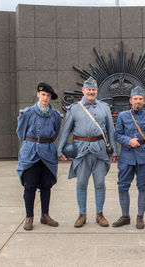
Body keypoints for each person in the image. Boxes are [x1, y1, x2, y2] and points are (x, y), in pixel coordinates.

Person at [58, 77, 118, 228]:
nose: (91, 92)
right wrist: (60, 150)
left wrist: (114, 152)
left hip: (100, 150)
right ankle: (82, 214)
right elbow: (65, 131)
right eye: (88, 89)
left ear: (96, 91)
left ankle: (100, 214)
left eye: (93, 90)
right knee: (82, 183)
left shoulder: (104, 108)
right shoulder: (74, 109)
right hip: (81, 150)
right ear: (83, 90)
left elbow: (111, 131)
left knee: (100, 183)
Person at [16, 82, 63, 231]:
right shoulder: (28, 113)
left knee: (46, 185)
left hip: (48, 152)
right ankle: (29, 217)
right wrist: (30, 145)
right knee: (29, 186)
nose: (45, 98)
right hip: (30, 152)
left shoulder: (55, 115)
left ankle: (45, 215)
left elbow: (55, 133)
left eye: (48, 96)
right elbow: (21, 132)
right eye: (43, 95)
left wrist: (45, 144)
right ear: (38, 94)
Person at [112, 86, 145, 229]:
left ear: (144, 101)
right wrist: (128, 141)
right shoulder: (123, 116)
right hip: (127, 156)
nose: (137, 101)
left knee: (143, 187)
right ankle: (125, 216)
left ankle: (140, 217)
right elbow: (117, 134)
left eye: (140, 99)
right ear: (130, 100)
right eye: (135, 99)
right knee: (122, 186)